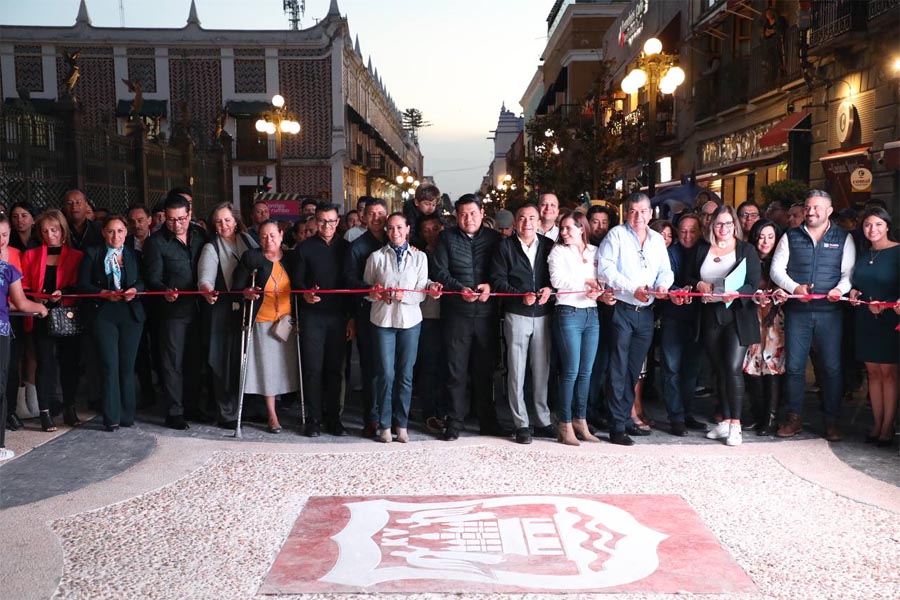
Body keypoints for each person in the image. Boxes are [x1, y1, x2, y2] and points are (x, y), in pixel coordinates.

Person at [771, 190, 855, 441]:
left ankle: (832, 420)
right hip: (798, 311)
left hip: (830, 313)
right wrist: (794, 288)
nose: (811, 211)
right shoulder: (791, 235)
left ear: (829, 211)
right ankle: (794, 418)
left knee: (831, 367)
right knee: (795, 367)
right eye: (808, 207)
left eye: (817, 207)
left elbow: (849, 272)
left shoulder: (843, 237)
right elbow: (777, 269)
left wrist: (840, 290)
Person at [598, 193, 674, 446]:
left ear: (651, 214)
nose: (638, 216)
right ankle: (616, 425)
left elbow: (666, 270)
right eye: (632, 211)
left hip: (646, 313)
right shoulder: (616, 235)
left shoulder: (656, 240)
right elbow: (605, 269)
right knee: (618, 368)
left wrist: (663, 285)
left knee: (635, 370)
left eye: (643, 211)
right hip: (622, 309)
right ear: (626, 213)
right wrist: (633, 288)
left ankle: (626, 416)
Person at [687, 205, 761, 447]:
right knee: (719, 368)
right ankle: (725, 421)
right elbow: (687, 276)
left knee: (732, 367)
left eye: (728, 223)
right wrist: (699, 284)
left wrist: (736, 293)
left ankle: (736, 425)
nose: (723, 228)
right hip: (710, 313)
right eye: (719, 223)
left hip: (737, 315)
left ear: (735, 226)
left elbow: (752, 283)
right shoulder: (701, 249)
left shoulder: (746, 249)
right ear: (711, 226)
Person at [430, 194, 502, 440]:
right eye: (462, 214)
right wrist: (459, 288)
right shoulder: (446, 238)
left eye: (472, 213)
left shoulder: (495, 239)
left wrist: (490, 286)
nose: (468, 218)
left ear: (482, 213)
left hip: (486, 314)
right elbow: (439, 270)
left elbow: (502, 271)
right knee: (455, 370)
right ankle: (455, 421)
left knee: (485, 370)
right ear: (456, 217)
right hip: (456, 314)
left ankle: (487, 421)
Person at [142, 191, 209, 430]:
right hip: (172, 312)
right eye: (171, 219)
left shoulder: (200, 235)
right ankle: (174, 411)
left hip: (200, 308)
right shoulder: (156, 242)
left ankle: (191, 406)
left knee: (194, 360)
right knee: (172, 362)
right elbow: (152, 278)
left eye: (181, 219)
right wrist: (165, 290)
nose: (177, 224)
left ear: (189, 215)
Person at [490, 203, 555, 445]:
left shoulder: (548, 246)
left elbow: (555, 276)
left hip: (543, 314)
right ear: (515, 222)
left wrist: (551, 288)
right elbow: (497, 280)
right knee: (516, 369)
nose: (527, 222)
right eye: (522, 218)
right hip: (516, 314)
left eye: (532, 218)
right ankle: (521, 423)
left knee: (541, 369)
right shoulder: (504, 247)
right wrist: (520, 295)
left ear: (539, 221)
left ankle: (543, 419)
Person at [363, 213, 430, 443]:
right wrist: (375, 294)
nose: (395, 232)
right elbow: (368, 289)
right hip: (383, 321)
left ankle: (401, 424)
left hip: (410, 321)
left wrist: (404, 297)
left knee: (405, 374)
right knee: (385, 373)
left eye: (400, 227)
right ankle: (384, 424)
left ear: (408, 229)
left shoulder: (420, 258)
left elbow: (422, 292)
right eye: (391, 228)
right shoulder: (376, 257)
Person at [549, 211, 613, 446]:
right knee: (571, 371)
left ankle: (580, 420)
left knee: (587, 371)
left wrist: (600, 293)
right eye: (562, 228)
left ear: (581, 229)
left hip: (591, 312)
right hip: (568, 313)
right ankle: (564, 424)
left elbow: (602, 280)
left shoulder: (595, 252)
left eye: (568, 228)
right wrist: (586, 283)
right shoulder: (558, 251)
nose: (564, 232)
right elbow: (558, 281)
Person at [291, 203, 354, 437]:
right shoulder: (304, 248)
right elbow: (295, 283)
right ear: (315, 222)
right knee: (313, 369)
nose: (327, 225)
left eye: (331, 221)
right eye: (322, 221)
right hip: (313, 317)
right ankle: (313, 418)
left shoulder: (347, 248)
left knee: (335, 370)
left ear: (338, 222)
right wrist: (305, 294)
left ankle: (334, 419)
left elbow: (350, 285)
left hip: (338, 318)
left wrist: (351, 319)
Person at [77, 215, 145, 431]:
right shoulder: (93, 254)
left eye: (120, 231)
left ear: (127, 233)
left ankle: (127, 415)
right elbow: (82, 284)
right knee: (109, 365)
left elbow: (144, 281)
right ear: (103, 233)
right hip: (104, 314)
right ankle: (111, 416)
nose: (115, 236)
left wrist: (135, 290)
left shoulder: (134, 255)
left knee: (127, 366)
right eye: (110, 231)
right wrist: (102, 293)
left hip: (130, 314)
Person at [232, 220, 299, 434]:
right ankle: (272, 415)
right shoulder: (252, 257)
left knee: (286, 368)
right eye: (263, 236)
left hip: (287, 323)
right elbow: (237, 286)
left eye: (272, 235)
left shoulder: (292, 258)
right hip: (262, 321)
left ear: (281, 235)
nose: (268, 240)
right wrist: (246, 292)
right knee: (268, 370)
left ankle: (288, 405)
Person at [21, 209, 85, 432]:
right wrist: (34, 296)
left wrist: (63, 292)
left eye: (54, 230)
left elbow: (79, 284)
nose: (50, 235)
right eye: (46, 231)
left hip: (66, 315)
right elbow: (24, 285)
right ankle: (45, 411)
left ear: (63, 231)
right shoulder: (31, 255)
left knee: (69, 364)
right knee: (45, 364)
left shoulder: (76, 256)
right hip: (41, 314)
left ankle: (69, 407)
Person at [197, 203, 258, 429]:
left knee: (243, 359)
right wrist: (206, 290)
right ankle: (226, 413)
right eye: (218, 221)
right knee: (222, 360)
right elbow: (205, 278)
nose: (223, 225)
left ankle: (244, 407)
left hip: (246, 307)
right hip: (221, 309)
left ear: (236, 220)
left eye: (227, 220)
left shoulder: (248, 240)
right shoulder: (211, 247)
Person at [848, 207, 898, 447]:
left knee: (889, 373)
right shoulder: (863, 254)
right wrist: (855, 292)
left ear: (887, 226)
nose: (873, 229)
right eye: (868, 225)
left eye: (878, 224)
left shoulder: (898, 252)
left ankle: (888, 426)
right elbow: (857, 283)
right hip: (866, 318)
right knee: (873, 373)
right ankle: (877, 423)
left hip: (890, 320)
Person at [0, 214, 48, 460]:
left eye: (5, 235)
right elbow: (20, 302)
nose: (1, 240)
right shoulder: (8, 269)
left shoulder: (10, 268)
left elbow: (18, 302)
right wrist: (40, 308)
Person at [658, 213, 707, 435]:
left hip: (698, 318)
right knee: (671, 368)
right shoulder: (670, 253)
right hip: (673, 316)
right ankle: (675, 416)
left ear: (700, 231)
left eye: (692, 230)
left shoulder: (706, 251)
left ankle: (687, 413)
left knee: (691, 371)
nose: (687, 235)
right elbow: (663, 279)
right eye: (683, 230)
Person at [344, 198, 389, 437]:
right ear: (364, 218)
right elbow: (349, 280)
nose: (376, 218)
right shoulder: (357, 246)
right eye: (371, 214)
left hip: (393, 314)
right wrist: (367, 288)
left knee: (389, 367)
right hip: (366, 312)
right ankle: (371, 418)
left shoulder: (397, 240)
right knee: (370, 366)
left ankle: (388, 414)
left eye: (381, 213)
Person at [743, 219, 785, 436]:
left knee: (773, 366)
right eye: (761, 236)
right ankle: (757, 414)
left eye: (770, 236)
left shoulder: (782, 260)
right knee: (752, 365)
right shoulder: (746, 258)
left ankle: (771, 418)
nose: (765, 241)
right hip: (751, 316)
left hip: (775, 320)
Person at [413, 214, 447, 433]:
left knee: (447, 366)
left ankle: (445, 409)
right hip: (428, 316)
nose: (430, 233)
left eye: (434, 228)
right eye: (425, 230)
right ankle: (429, 412)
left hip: (451, 315)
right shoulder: (417, 255)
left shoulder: (449, 249)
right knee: (429, 366)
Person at [405, 184, 440, 249]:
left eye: (433, 205)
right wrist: (424, 246)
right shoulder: (410, 211)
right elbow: (411, 233)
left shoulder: (436, 211)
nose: (430, 208)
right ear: (417, 202)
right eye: (427, 204)